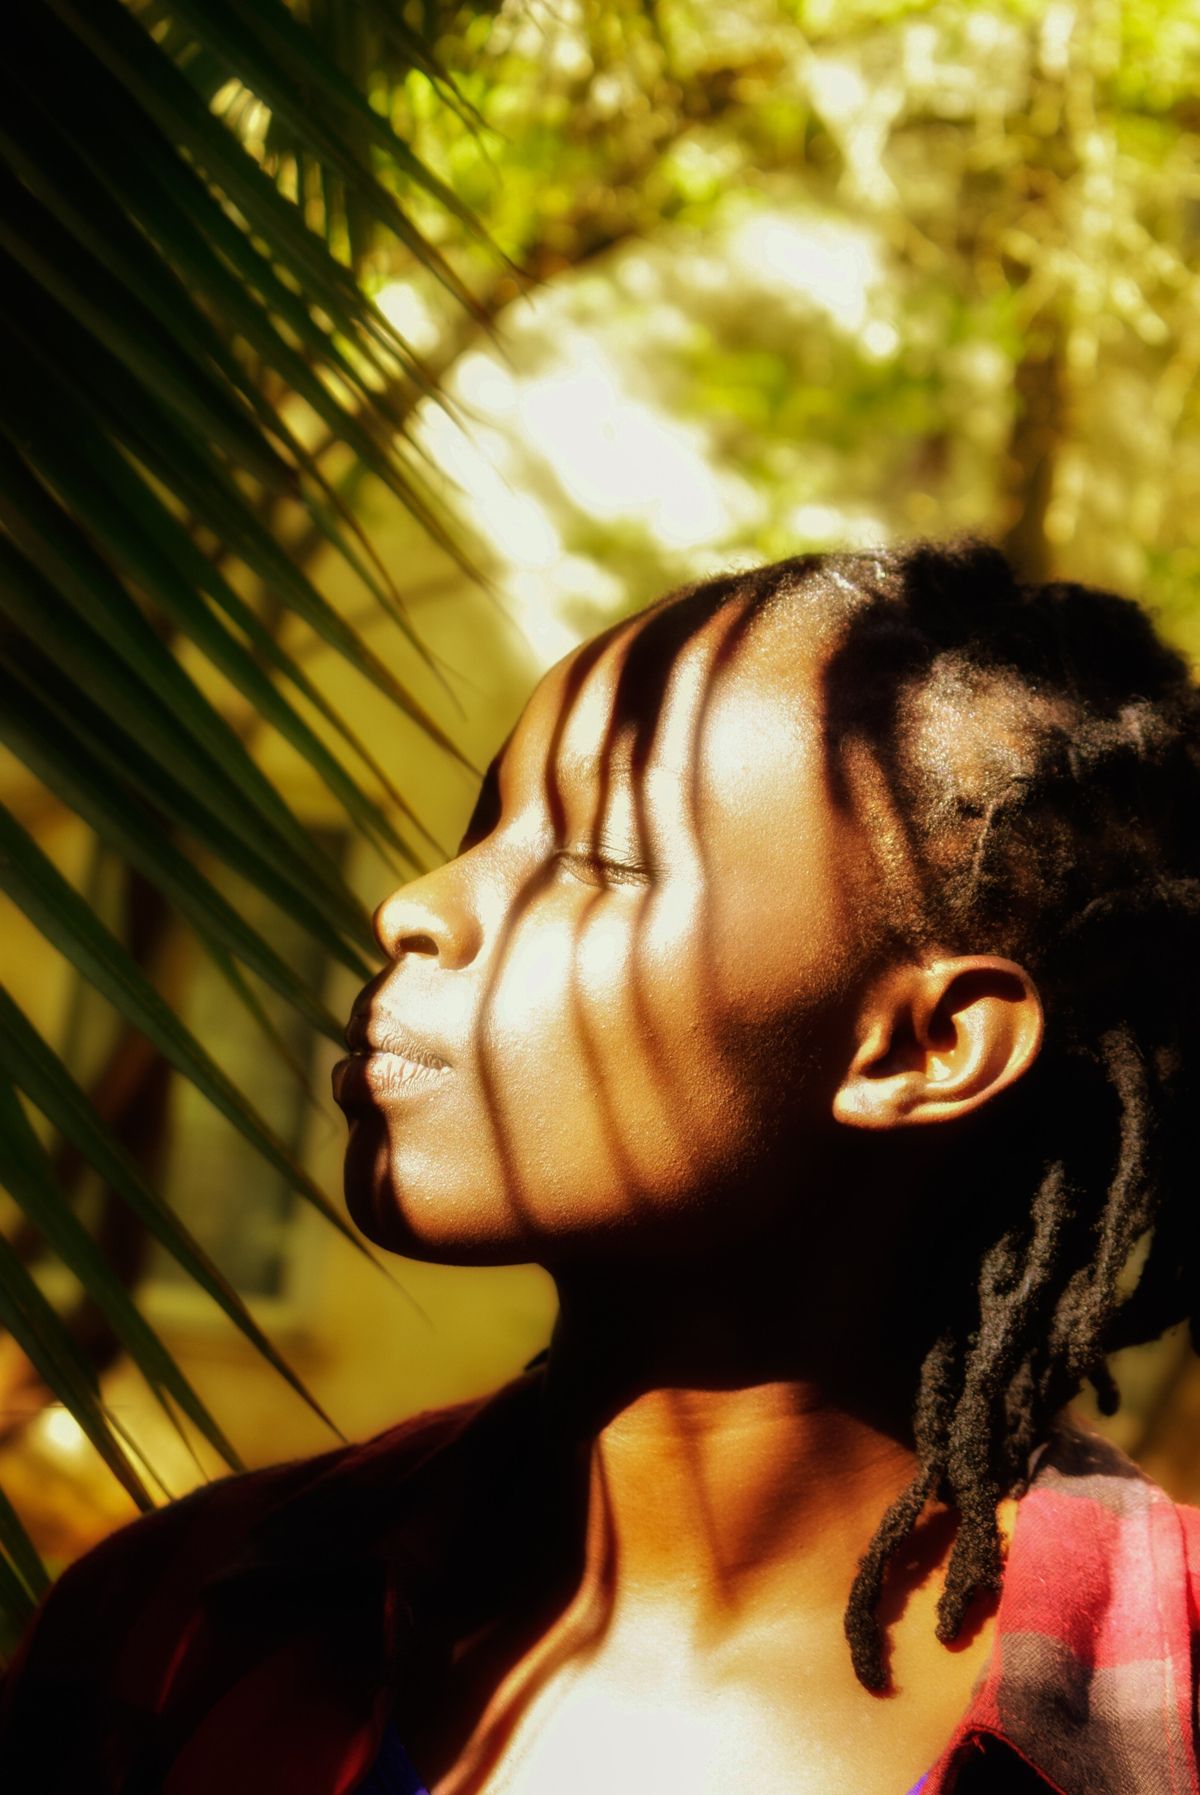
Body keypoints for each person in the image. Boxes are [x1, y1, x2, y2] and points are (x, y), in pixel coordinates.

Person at [2, 539, 1199, 1794]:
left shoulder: (1157, 1725)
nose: (417, 906)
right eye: (483, 828)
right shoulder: (172, 1629)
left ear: (924, 1046)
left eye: (598, 863)